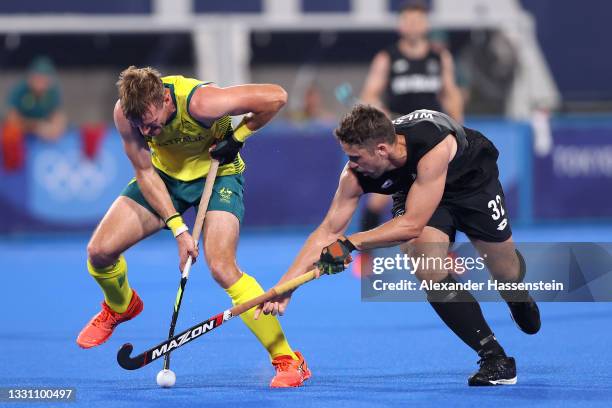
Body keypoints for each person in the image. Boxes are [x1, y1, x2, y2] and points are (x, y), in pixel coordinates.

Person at [257, 105, 541, 386]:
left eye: (355, 157)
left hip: (472, 183)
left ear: (382, 150)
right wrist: (285, 286)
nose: (351, 164)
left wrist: (350, 244)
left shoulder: (434, 144)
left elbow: (411, 224)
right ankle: (495, 358)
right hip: (417, 189)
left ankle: (516, 294)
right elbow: (327, 231)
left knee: (505, 271)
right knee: (426, 264)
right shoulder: (355, 174)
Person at [76, 66, 310, 388]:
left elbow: (276, 97)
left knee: (222, 267)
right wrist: (179, 229)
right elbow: (145, 172)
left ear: (165, 100)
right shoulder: (125, 114)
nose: (145, 131)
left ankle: (288, 360)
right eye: (139, 124)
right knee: (99, 251)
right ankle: (121, 305)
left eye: (150, 121)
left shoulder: (201, 102)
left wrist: (238, 137)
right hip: (164, 180)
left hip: (218, 176)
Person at [357, 0, 464, 271]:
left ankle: (443, 250)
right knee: (380, 197)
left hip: (434, 139)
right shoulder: (387, 58)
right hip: (399, 139)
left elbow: (450, 93)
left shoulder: (440, 57)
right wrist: (382, 119)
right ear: (401, 24)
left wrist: (457, 125)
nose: (414, 24)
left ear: (426, 24)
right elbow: (370, 94)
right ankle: (365, 257)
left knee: (444, 196)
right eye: (409, 19)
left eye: (419, 19)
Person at [1, 56, 67, 170]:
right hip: (20, 135)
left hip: (41, 137)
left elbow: (58, 118)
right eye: (37, 78)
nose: (40, 83)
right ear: (31, 78)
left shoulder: (52, 92)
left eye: (44, 79)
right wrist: (36, 126)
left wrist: (53, 128)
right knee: (9, 133)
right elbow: (12, 119)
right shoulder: (20, 90)